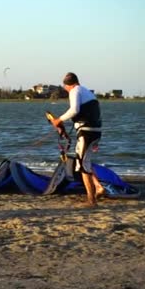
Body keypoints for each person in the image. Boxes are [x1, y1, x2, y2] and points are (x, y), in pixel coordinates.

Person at [51, 72, 104, 207]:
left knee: (82, 166)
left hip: (86, 132)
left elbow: (74, 110)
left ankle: (92, 201)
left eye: (66, 87)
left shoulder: (75, 90)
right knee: (85, 161)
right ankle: (98, 187)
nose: (66, 90)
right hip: (95, 131)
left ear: (69, 85)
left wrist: (59, 120)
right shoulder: (87, 91)